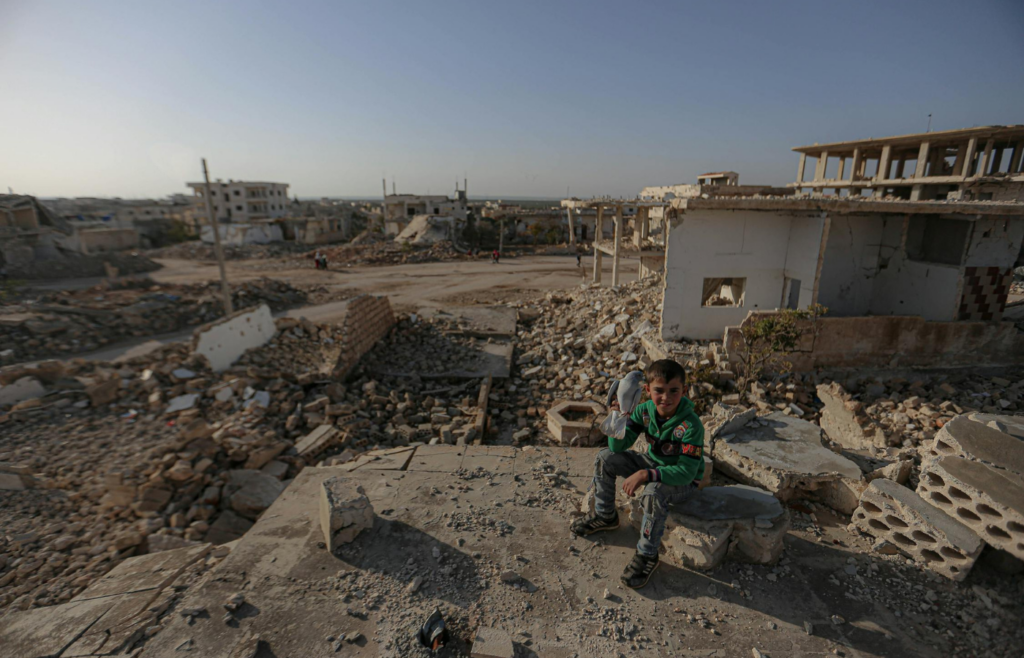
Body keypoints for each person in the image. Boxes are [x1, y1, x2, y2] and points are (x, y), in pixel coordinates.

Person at [571, 359, 705, 589]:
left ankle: (647, 555)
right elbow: (617, 448)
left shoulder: (691, 425)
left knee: (653, 493)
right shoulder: (644, 411)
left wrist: (646, 474)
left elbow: (685, 472)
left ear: (684, 391)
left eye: (674, 391)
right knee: (605, 458)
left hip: (682, 480)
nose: (666, 397)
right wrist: (618, 418)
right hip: (653, 463)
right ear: (647, 390)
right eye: (659, 391)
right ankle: (605, 516)